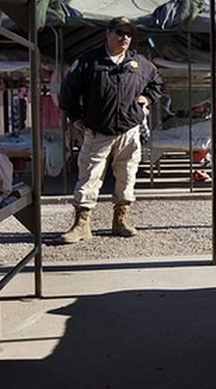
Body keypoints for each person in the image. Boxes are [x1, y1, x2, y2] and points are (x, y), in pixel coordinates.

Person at [59, 17, 164, 244]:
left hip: (129, 131)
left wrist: (147, 97)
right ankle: (82, 224)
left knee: (127, 175)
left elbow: (157, 83)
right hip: (98, 130)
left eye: (128, 34)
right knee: (89, 176)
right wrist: (75, 117)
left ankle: (121, 221)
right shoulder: (88, 61)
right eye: (119, 32)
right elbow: (67, 91)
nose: (124, 38)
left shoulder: (140, 63)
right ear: (107, 33)